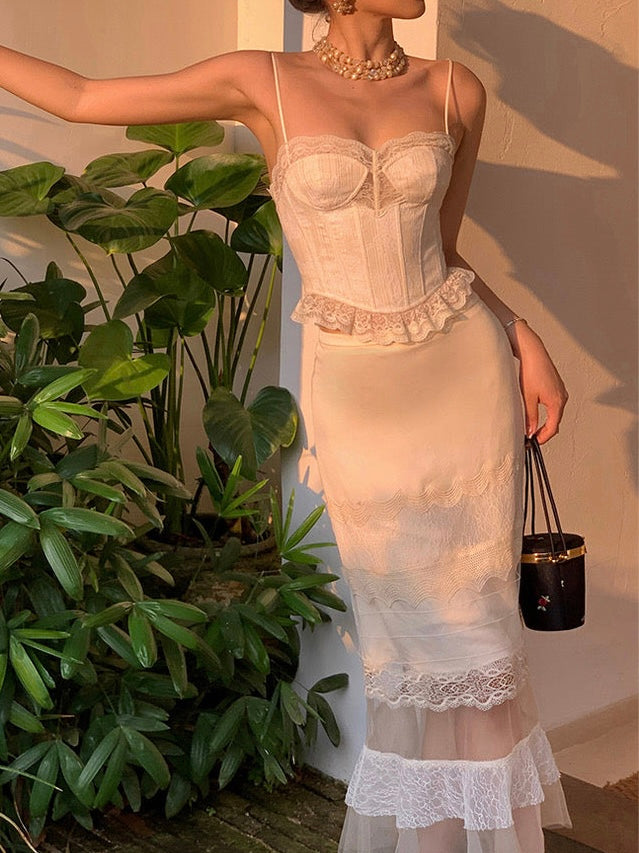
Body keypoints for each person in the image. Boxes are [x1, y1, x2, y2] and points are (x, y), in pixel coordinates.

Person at [0, 1, 572, 850]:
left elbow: (446, 248)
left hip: (463, 376)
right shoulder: (260, 78)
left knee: (479, 639)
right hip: (362, 398)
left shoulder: (455, 89)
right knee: (412, 648)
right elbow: (81, 96)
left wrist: (523, 336)